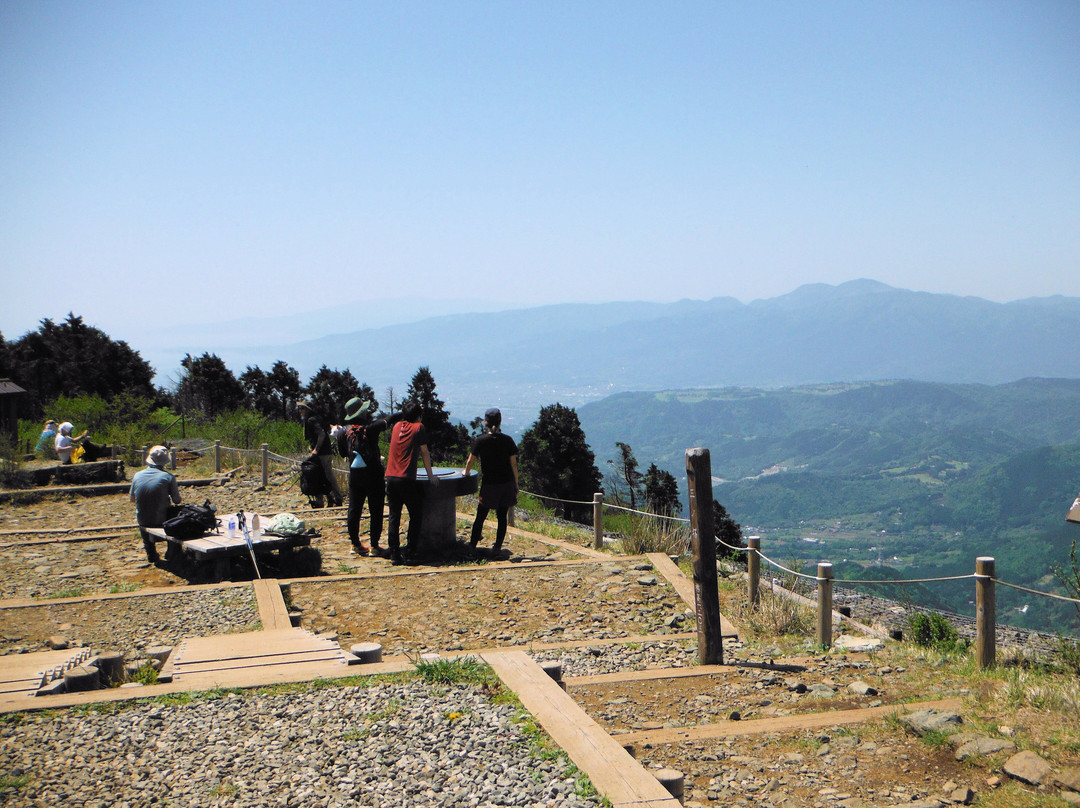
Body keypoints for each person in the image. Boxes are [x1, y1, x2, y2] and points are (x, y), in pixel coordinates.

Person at [337, 397, 397, 556]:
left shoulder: (344, 431)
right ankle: (374, 546)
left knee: (354, 508)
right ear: (361, 412)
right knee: (376, 508)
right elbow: (389, 420)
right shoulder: (370, 428)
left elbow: (343, 452)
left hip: (355, 473)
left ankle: (355, 544)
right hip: (374, 472)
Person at [384, 401, 438, 566]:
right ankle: (410, 551)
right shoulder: (418, 428)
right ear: (417, 416)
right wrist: (431, 476)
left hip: (390, 477)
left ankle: (394, 553)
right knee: (416, 513)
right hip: (406, 478)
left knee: (394, 515)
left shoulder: (396, 426)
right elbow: (424, 453)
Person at [462, 408, 518, 558]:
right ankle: (497, 548)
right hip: (506, 483)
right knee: (502, 517)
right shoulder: (508, 440)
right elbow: (513, 465)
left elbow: (470, 460)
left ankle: (472, 547)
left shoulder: (480, 440)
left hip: (489, 484)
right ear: (500, 422)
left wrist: (465, 473)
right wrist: (516, 484)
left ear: (485, 422)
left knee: (480, 516)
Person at [129, 445, 182, 564]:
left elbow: (132, 499)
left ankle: (151, 553)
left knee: (143, 514)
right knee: (176, 513)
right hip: (162, 520)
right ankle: (173, 551)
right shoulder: (168, 477)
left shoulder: (137, 475)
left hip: (142, 520)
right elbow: (177, 500)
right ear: (164, 462)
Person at [299, 399, 344, 507]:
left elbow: (322, 434)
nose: (300, 410)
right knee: (320, 476)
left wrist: (316, 449)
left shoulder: (311, 420)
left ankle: (337, 497)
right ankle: (329, 498)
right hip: (325, 451)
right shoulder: (317, 418)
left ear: (307, 410)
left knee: (326, 475)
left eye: (302, 408)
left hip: (322, 453)